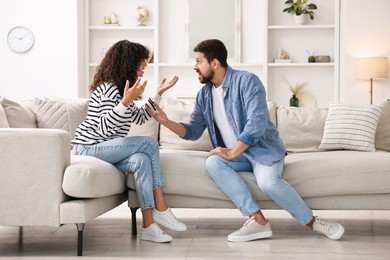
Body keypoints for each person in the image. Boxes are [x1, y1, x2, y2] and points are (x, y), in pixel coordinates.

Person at [146, 39, 345, 242]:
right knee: (213, 162)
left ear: (214, 63)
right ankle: (257, 221)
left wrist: (232, 152)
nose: (195, 66)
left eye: (198, 61)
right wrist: (166, 121)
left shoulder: (247, 81)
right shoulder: (204, 94)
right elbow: (194, 131)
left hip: (262, 151)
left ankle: (313, 222)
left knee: (268, 183)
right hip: (237, 156)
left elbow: (256, 125)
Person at [72, 40, 187, 243]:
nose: (144, 67)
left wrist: (158, 94)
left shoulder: (121, 90)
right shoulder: (109, 89)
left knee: (142, 159)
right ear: (128, 62)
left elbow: (141, 117)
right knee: (149, 144)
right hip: (88, 148)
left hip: (105, 149)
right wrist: (124, 102)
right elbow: (103, 128)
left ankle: (149, 225)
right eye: (142, 62)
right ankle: (161, 206)